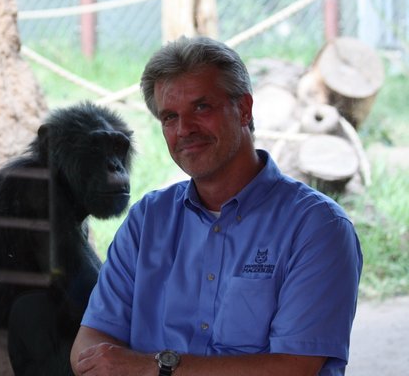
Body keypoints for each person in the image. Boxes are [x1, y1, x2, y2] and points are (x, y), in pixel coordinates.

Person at [70, 36, 363, 376]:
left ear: (245, 109)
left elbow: (293, 368)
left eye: (201, 107)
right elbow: (88, 345)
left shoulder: (317, 227)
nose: (185, 130)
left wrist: (157, 367)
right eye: (169, 117)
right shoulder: (148, 220)